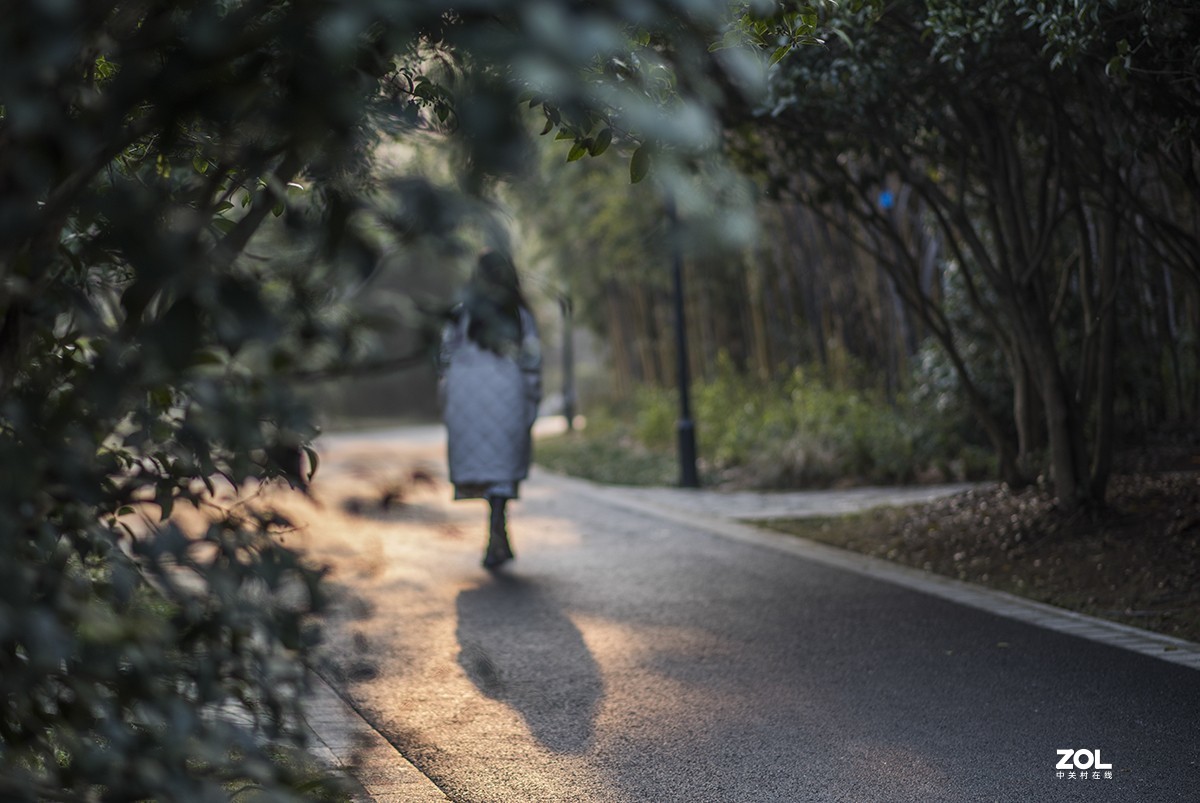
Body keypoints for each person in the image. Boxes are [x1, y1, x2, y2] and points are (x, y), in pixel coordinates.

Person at [438, 252, 542, 570]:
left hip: (466, 393)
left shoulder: (459, 315)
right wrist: (532, 399)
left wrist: (448, 397)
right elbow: (532, 361)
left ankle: (496, 531)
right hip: (508, 393)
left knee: (486, 466)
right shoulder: (520, 316)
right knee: (503, 467)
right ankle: (498, 527)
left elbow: (443, 358)